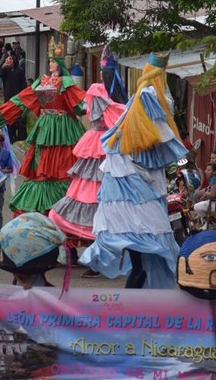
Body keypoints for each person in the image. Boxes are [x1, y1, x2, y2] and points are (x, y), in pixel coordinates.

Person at [80, 52, 189, 289]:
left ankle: (138, 296)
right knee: (144, 239)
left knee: (141, 251)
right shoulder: (150, 95)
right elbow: (161, 136)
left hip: (131, 170)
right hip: (134, 173)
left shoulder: (143, 95)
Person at [0, 40, 86, 215]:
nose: (51, 64)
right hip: (45, 127)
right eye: (49, 61)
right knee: (42, 167)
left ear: (61, 64)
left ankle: (64, 208)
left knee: (63, 164)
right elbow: (24, 98)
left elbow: (81, 103)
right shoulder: (42, 81)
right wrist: (2, 114)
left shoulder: (65, 81)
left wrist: (98, 105)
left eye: (54, 61)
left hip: (63, 127)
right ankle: (43, 208)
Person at [49, 82, 125, 276]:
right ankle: (89, 253)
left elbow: (120, 119)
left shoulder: (109, 109)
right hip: (95, 154)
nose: (89, 103)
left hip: (102, 150)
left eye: (92, 99)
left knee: (98, 203)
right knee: (83, 198)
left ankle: (99, 258)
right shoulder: (103, 108)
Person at [0, 213, 66, 289]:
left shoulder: (36, 265)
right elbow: (17, 274)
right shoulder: (24, 267)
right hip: (28, 292)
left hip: (37, 290)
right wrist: (24, 284)